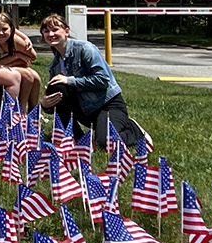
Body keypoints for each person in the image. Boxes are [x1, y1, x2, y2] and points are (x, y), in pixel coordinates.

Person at [40, 13, 139, 148]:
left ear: (67, 31)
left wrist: (70, 80)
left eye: (55, 29)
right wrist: (45, 105)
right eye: (46, 31)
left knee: (105, 143)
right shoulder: (54, 66)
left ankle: (134, 131)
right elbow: (58, 102)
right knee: (56, 86)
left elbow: (103, 80)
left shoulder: (85, 48)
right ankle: (78, 141)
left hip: (108, 105)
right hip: (86, 111)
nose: (51, 34)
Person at [0, 11, 41, 111]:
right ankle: (21, 109)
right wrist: (17, 55)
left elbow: (33, 56)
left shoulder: (16, 41)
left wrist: (13, 62)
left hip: (11, 65)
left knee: (36, 77)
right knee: (28, 75)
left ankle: (34, 112)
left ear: (11, 29)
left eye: (4, 29)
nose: (0, 33)